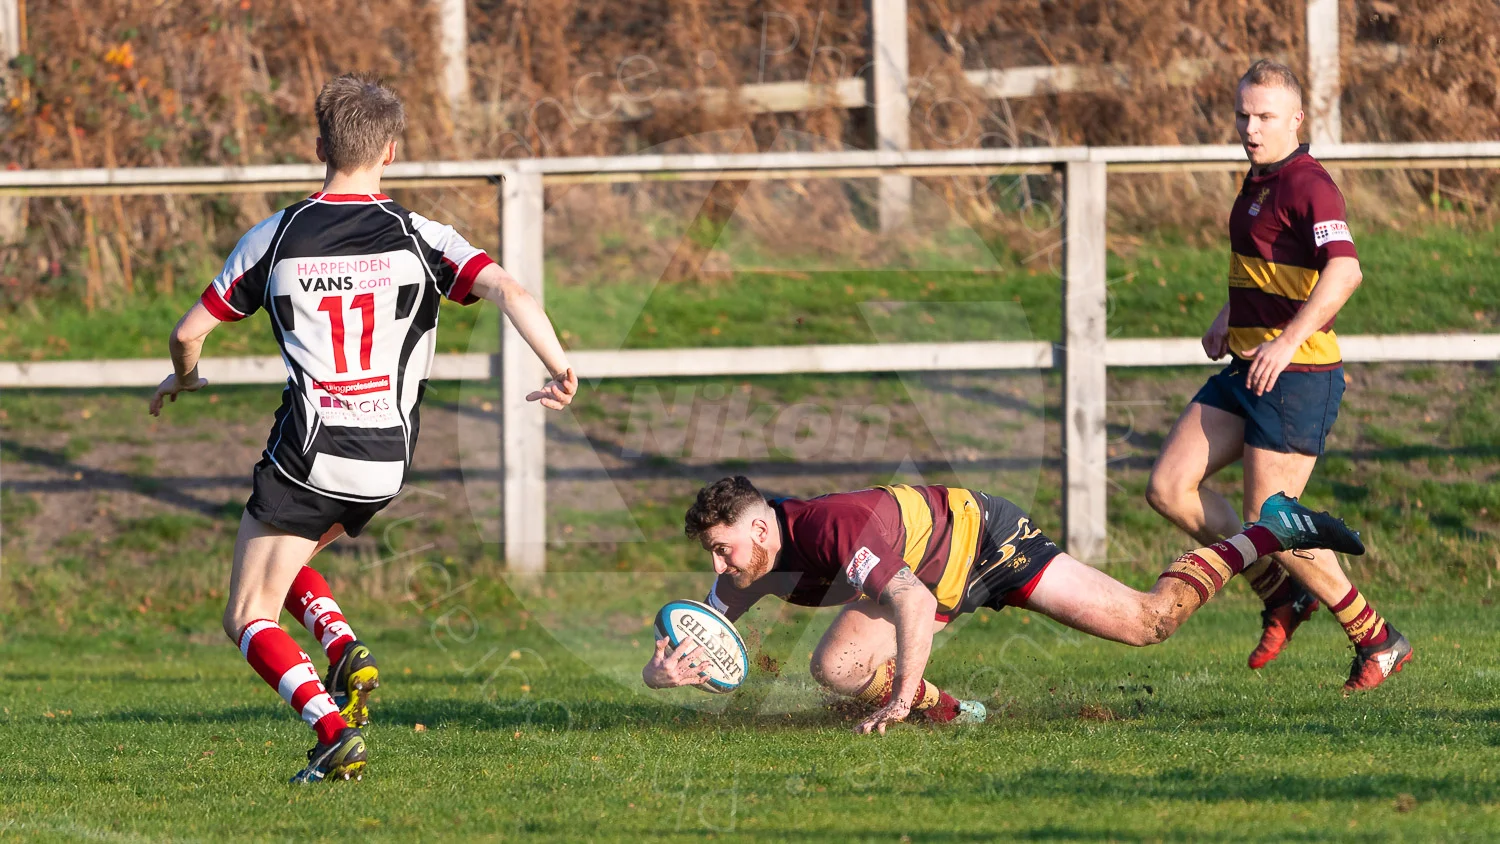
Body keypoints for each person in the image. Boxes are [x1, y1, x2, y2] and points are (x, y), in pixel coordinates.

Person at [147, 74, 578, 782]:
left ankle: (331, 729)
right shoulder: (421, 236)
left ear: (320, 145)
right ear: (391, 151)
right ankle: (341, 644)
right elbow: (511, 288)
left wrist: (185, 378)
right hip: (387, 460)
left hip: (309, 453)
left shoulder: (276, 235)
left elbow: (187, 334)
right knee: (283, 560)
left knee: (247, 613)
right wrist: (559, 365)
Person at [642, 476, 1368, 735]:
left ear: (761, 526)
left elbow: (911, 598)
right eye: (712, 551)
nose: (718, 564)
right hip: (936, 566)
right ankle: (957, 714)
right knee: (837, 666)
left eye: (722, 547)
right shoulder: (746, 567)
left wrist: (898, 697)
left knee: (1153, 623)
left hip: (982, 536)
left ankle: (1269, 529)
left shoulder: (827, 528)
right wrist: (663, 673)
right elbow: (697, 635)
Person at [1144, 59, 1412, 691]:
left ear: (1296, 119)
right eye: (1243, 114)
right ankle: (1283, 597)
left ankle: (1378, 639)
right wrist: (1227, 312)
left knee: (1274, 523)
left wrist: (1289, 343)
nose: (1250, 127)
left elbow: (1344, 273)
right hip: (1248, 365)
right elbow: (1270, 269)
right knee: (1169, 487)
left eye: (1265, 116)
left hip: (1298, 376)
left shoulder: (1309, 185)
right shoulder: (1258, 180)